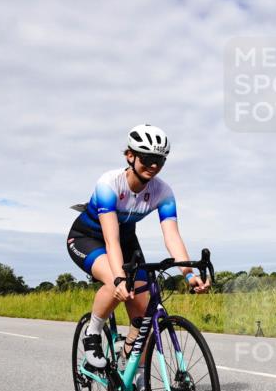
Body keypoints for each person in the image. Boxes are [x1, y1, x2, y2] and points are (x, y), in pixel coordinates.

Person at [66, 125, 210, 377]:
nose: (153, 166)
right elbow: (111, 240)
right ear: (130, 156)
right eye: (147, 158)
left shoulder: (162, 192)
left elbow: (172, 236)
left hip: (126, 241)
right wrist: (120, 278)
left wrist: (188, 274)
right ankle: (93, 332)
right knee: (116, 279)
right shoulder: (109, 184)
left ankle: (133, 369)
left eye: (160, 160)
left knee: (145, 318)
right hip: (89, 238)